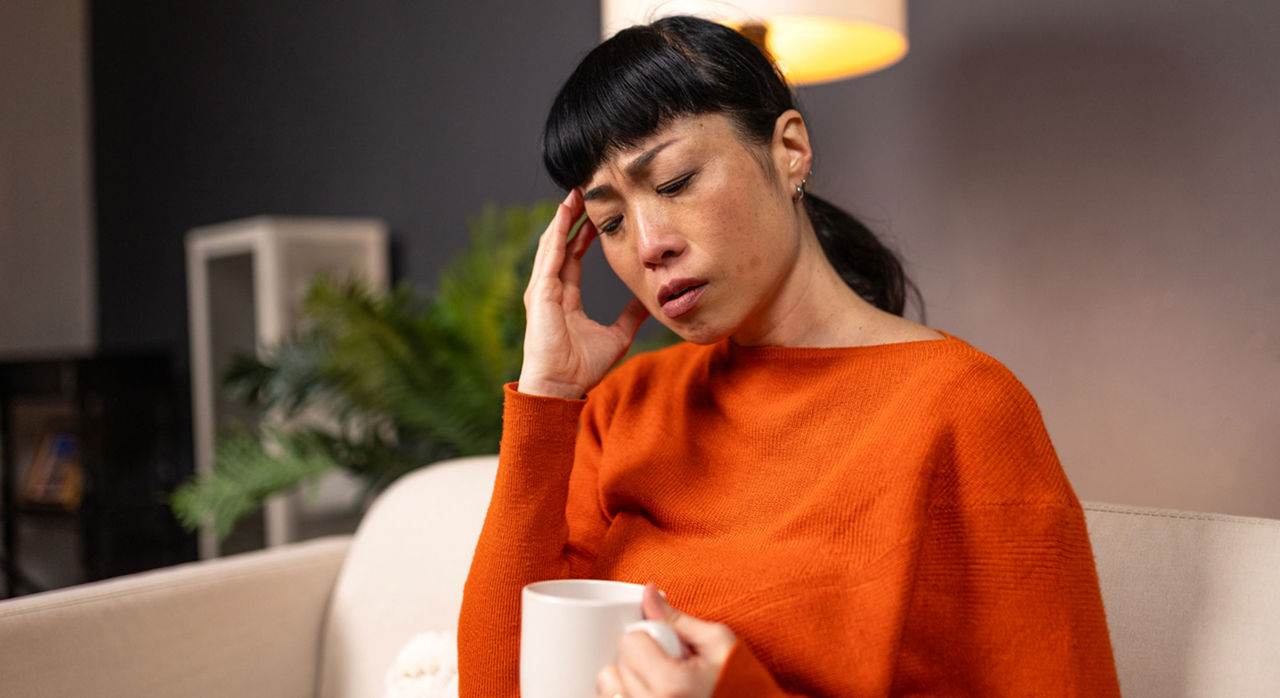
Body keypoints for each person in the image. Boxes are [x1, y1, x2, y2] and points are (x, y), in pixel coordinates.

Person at [458, 15, 1120, 698]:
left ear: (790, 149)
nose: (649, 242)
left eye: (676, 181)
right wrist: (548, 398)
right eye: (611, 223)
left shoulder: (964, 409)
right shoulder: (627, 405)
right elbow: (496, 687)